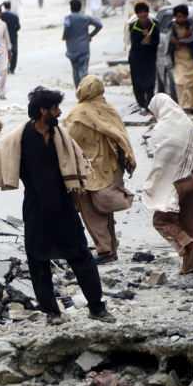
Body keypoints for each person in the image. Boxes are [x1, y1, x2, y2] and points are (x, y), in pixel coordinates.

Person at [0, 87, 115, 325]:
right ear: (43, 111)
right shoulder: (19, 138)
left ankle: (97, 307)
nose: (59, 112)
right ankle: (51, 312)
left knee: (81, 256)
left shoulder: (61, 137)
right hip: (36, 209)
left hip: (64, 207)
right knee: (38, 261)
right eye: (55, 108)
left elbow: (79, 161)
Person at [144, 94, 193, 274]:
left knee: (161, 221)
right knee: (188, 224)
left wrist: (153, 186)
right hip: (192, 181)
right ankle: (191, 265)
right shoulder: (187, 124)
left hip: (176, 185)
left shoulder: (161, 129)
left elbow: (161, 162)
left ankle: (187, 243)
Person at [65, 76, 136, 265]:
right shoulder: (109, 109)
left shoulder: (78, 114)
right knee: (104, 208)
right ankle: (110, 247)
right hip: (112, 168)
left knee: (91, 210)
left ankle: (105, 249)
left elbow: (68, 142)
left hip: (88, 169)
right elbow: (122, 137)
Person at [167, 5, 193, 113]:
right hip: (179, 58)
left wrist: (181, 41)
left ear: (186, 16)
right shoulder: (171, 27)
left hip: (192, 58)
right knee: (180, 82)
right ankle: (184, 106)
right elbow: (168, 40)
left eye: (183, 16)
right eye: (178, 16)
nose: (180, 19)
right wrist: (174, 44)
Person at [63, 0, 103, 88]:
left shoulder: (68, 18)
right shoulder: (86, 18)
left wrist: (65, 37)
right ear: (80, 7)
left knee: (75, 71)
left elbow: (66, 29)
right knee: (83, 71)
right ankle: (85, 90)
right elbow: (99, 25)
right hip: (84, 48)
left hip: (71, 49)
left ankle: (78, 90)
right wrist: (91, 35)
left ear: (71, 7)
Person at [128, 2, 160, 111]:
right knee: (137, 83)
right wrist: (143, 41)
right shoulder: (133, 26)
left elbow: (156, 41)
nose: (142, 15)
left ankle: (150, 105)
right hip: (136, 59)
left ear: (148, 12)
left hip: (150, 58)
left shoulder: (154, 25)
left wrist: (149, 41)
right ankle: (141, 104)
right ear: (137, 14)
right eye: (140, 12)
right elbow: (134, 43)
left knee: (150, 82)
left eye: (144, 12)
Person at [1, 1, 21, 74]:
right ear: (10, 6)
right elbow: (18, 27)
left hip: (3, 36)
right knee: (14, 52)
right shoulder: (15, 16)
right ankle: (12, 68)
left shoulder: (1, 15)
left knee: (4, 52)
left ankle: (5, 67)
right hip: (13, 36)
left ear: (4, 7)